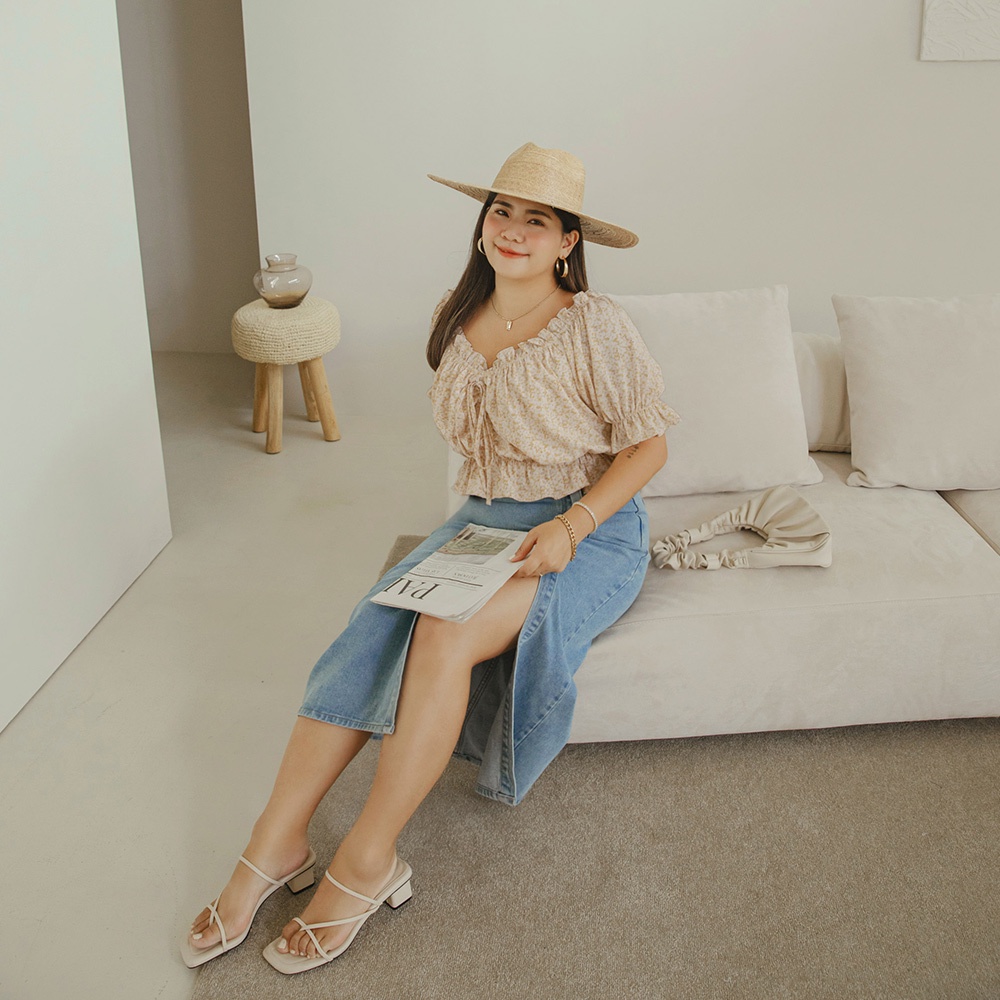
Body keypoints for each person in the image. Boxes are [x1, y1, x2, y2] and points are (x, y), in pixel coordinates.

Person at [182, 142, 680, 976]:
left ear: (567, 241)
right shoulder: (458, 311)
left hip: (588, 531)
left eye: (537, 219)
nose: (513, 229)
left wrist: (573, 525)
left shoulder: (595, 322)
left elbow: (650, 446)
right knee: (369, 629)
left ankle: (369, 859)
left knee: (446, 633)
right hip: (482, 525)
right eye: (501, 211)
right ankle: (275, 844)